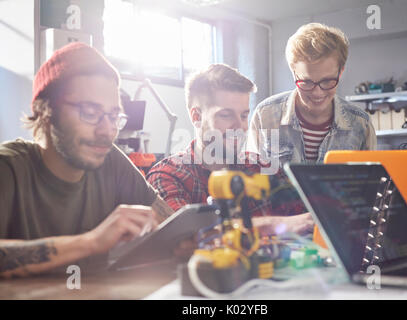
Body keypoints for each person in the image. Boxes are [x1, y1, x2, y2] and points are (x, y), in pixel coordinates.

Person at [0, 42, 174, 278]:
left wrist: (186, 238)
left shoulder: (111, 161)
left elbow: (170, 226)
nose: (106, 131)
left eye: (113, 116)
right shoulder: (9, 168)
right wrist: (92, 242)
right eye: (89, 112)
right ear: (45, 110)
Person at [147, 64, 313, 237]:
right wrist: (274, 224)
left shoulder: (262, 167)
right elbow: (186, 236)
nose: (240, 127)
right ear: (196, 116)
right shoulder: (168, 176)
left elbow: (308, 217)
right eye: (226, 115)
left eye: (243, 115)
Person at [246, 23, 376, 165]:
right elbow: (252, 181)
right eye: (307, 82)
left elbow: (371, 185)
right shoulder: (264, 116)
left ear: (341, 71)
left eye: (327, 81)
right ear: (293, 73)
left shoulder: (361, 125)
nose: (317, 92)